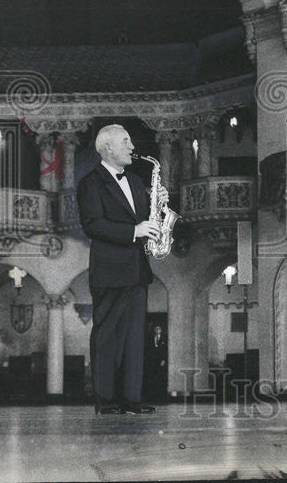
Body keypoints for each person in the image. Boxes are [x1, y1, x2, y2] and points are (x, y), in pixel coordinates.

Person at [77, 124, 161, 415]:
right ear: (108, 148)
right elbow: (93, 225)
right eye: (125, 142)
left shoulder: (137, 182)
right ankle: (106, 400)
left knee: (135, 337)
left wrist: (154, 226)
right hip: (110, 271)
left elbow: (145, 221)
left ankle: (132, 398)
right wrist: (134, 231)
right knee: (107, 336)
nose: (131, 147)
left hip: (137, 269)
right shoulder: (90, 183)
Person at [143, 324, 168, 402]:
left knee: (161, 376)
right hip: (152, 360)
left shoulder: (165, 337)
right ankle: (152, 394)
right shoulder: (150, 337)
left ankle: (161, 394)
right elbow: (148, 348)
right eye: (156, 329)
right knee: (152, 376)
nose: (157, 330)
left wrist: (164, 359)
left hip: (160, 360)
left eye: (159, 329)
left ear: (161, 330)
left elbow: (165, 349)